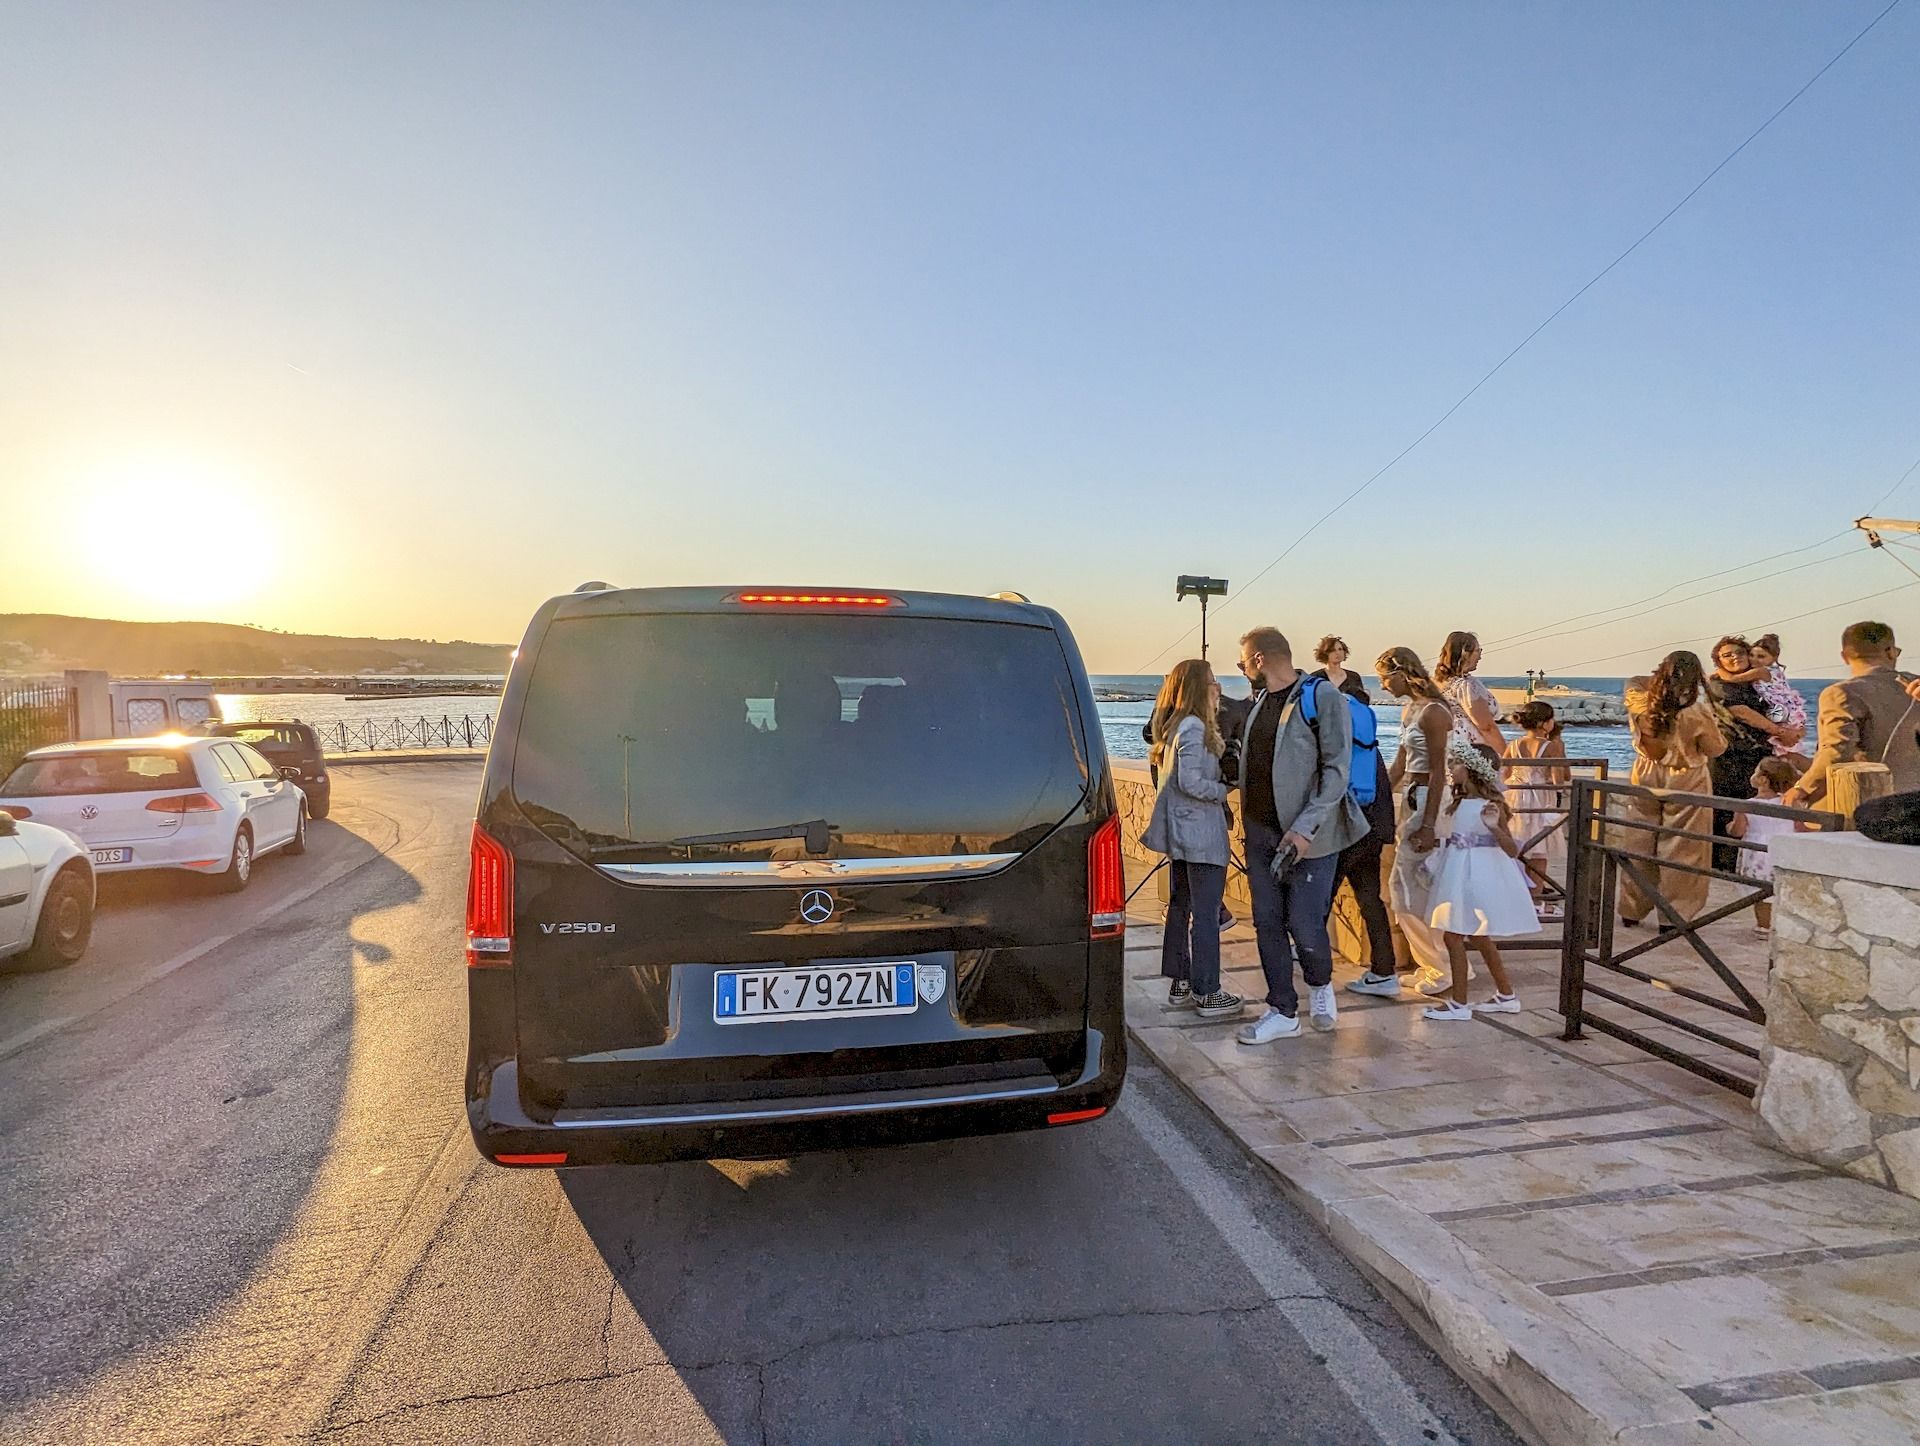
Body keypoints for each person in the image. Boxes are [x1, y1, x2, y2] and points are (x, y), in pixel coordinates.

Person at [1230, 627, 1369, 1045]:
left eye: (1242, 662)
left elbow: (1336, 770)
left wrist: (1305, 829)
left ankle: (1320, 986)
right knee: (1267, 922)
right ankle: (1282, 1009)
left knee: (1305, 924)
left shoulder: (1320, 695)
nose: (1242, 670)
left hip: (1309, 837)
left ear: (1258, 659)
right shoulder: (1259, 705)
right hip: (1260, 834)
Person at [1142, 661, 1245, 1018]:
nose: (1218, 688)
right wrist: (1224, 788)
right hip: (1198, 833)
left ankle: (1182, 981)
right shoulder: (1193, 727)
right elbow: (1190, 782)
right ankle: (1207, 991)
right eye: (1213, 682)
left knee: (1182, 905)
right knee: (1204, 913)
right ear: (1200, 688)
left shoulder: (1176, 726)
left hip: (1183, 833)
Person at [1371, 646, 1468, 996]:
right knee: (1411, 886)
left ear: (1401, 673)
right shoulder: (1410, 710)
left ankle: (1442, 967)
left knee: (1410, 886)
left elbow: (1440, 770)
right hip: (1411, 799)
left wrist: (1428, 825)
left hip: (1429, 801)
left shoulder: (1433, 712)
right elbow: (1400, 763)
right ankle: (1435, 963)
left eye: (1385, 678)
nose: (1383, 686)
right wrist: (1378, 797)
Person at [1422, 740, 1536, 1020]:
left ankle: (1459, 1003)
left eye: (1456, 763)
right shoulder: (1459, 801)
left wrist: (1494, 827)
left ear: (1472, 769)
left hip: (1478, 874)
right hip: (1458, 869)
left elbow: (1511, 850)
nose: (1451, 767)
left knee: (1453, 935)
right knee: (1478, 935)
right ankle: (1506, 995)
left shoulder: (1492, 805)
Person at [1618, 651, 1727, 927]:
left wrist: (1661, 679)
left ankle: (1631, 908)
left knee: (1639, 840)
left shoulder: (1639, 699)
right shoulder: (1695, 711)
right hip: (1686, 776)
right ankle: (1673, 914)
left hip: (1644, 773)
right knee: (1683, 848)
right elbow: (1716, 748)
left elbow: (1635, 679)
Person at [1786, 622, 1920, 808]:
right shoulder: (1915, 686)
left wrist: (1802, 787)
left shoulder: (1842, 693)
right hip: (1914, 796)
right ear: (1890, 651)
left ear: (1844, 656)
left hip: (1868, 800)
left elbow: (1837, 751)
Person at [1708, 637, 1799, 870]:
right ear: (1718, 661)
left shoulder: (1757, 680)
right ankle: (1724, 864)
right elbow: (1742, 712)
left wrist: (1792, 728)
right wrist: (1779, 731)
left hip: (1758, 753)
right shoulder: (1720, 684)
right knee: (1727, 807)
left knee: (1754, 805)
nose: (1735, 657)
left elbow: (1778, 704)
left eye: (1739, 652)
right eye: (1727, 655)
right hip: (1730, 755)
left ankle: (1752, 862)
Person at [1503, 701, 1569, 917]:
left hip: (1515, 798)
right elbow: (1558, 779)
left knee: (1518, 848)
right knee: (1539, 853)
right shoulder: (1552, 746)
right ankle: (1535, 900)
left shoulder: (1513, 744)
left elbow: (1505, 775)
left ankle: (1515, 897)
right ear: (1544, 723)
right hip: (1539, 799)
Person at [1730, 757, 1800, 935]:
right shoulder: (1790, 803)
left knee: (1760, 894)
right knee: (1781, 890)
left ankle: (1764, 926)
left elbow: (1737, 831)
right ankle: (1784, 925)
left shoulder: (1747, 806)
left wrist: (1728, 826)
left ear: (1763, 780)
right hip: (1783, 850)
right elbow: (1801, 828)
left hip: (1757, 854)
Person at [1727, 634, 1810, 761]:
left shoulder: (1761, 671)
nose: (1754, 660)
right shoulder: (1776, 671)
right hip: (1789, 711)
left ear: (1774, 658)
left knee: (1782, 750)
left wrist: (1716, 673)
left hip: (1779, 711)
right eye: (1752, 655)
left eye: (1761, 656)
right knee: (1785, 751)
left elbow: (1732, 678)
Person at [1434, 631, 1505, 754]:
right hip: (1471, 749)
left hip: (1443, 746)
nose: (1480, 657)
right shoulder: (1466, 686)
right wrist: (1507, 757)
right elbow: (1486, 727)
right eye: (1478, 651)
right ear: (1465, 654)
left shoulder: (1437, 683)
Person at [1309, 636, 1367, 700]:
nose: (1337, 653)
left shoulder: (1354, 677)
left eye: (1340, 649)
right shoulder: (1315, 677)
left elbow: (1361, 702)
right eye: (1332, 650)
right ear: (1325, 653)